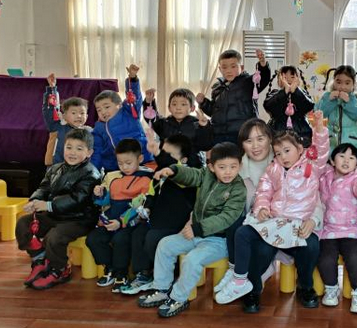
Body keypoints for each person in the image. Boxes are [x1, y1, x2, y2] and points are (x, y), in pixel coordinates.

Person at [214, 111, 329, 311]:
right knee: (245, 234)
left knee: (311, 246)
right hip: (275, 223)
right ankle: (248, 285)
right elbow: (264, 192)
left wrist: (319, 129)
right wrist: (261, 209)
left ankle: (305, 286)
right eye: (279, 153)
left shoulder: (311, 166)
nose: (283, 156)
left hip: (298, 223)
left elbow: (321, 149)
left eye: (287, 151)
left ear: (300, 149)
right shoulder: (270, 169)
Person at [137, 142, 247, 318]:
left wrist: (198, 228)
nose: (228, 172)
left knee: (192, 260)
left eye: (233, 167)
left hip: (219, 240)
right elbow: (191, 175)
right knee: (165, 244)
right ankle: (162, 289)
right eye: (222, 167)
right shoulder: (206, 175)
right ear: (211, 167)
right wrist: (173, 170)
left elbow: (227, 218)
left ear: (240, 166)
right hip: (195, 234)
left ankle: (179, 298)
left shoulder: (238, 189)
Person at [15, 129, 101, 290]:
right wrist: (34, 201)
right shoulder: (55, 168)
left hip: (79, 219)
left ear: (89, 152)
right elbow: (43, 188)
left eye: (79, 148)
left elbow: (78, 200)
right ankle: (39, 259)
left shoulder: (91, 174)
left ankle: (59, 269)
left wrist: (48, 205)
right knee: (23, 224)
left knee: (53, 237)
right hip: (55, 215)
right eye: (69, 147)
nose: (72, 152)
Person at [119, 134, 197, 295]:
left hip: (176, 225)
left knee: (153, 238)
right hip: (156, 221)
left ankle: (168, 275)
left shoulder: (187, 175)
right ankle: (143, 274)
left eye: (169, 155)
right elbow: (152, 194)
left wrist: (158, 154)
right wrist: (147, 207)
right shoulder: (158, 173)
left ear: (183, 160)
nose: (165, 159)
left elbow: (172, 169)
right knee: (138, 234)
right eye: (164, 153)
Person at [212, 119, 274, 312]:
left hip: (276, 223)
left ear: (270, 139)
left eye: (260, 139)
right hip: (248, 222)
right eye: (248, 141)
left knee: (263, 247)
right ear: (242, 145)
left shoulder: (281, 162)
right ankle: (242, 279)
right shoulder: (237, 168)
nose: (255, 146)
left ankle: (251, 286)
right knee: (235, 225)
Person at [85, 139, 154, 291]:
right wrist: (99, 194)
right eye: (120, 163)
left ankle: (121, 273)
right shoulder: (114, 178)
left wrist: (120, 222)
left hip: (130, 223)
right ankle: (110, 267)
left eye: (128, 163)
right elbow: (106, 201)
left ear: (140, 159)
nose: (124, 167)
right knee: (93, 238)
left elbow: (140, 208)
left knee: (120, 239)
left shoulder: (146, 179)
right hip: (111, 221)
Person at [318, 143, 357, 313]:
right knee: (326, 258)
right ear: (332, 161)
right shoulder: (325, 176)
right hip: (328, 231)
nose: (346, 161)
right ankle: (331, 289)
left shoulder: (356, 178)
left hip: (351, 231)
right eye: (342, 156)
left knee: (355, 257)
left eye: (351, 158)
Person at [197, 49, 271, 145]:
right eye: (224, 67)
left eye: (233, 66)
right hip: (219, 134)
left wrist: (263, 64)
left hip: (242, 134)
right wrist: (203, 102)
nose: (228, 71)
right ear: (220, 69)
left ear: (242, 67)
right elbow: (213, 112)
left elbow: (263, 77)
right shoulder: (217, 88)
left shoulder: (248, 82)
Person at [91, 64, 152, 173]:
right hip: (116, 168)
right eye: (99, 110)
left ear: (119, 105)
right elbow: (97, 152)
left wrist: (132, 79)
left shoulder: (128, 111)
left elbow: (134, 96)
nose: (103, 112)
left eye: (107, 107)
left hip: (142, 162)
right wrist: (93, 172)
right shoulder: (98, 128)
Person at [149, 88, 213, 168]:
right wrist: (149, 103)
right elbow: (150, 118)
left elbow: (206, 145)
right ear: (169, 108)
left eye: (183, 104)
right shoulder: (163, 123)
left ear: (192, 108)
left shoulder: (197, 124)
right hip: (168, 167)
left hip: (193, 167)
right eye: (174, 104)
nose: (178, 108)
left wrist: (204, 127)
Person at [315, 65, 357, 156]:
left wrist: (349, 102)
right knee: (332, 161)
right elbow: (319, 113)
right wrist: (330, 101)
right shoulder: (327, 96)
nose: (342, 87)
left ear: (353, 83)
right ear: (334, 81)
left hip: (353, 144)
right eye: (338, 82)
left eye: (347, 83)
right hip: (332, 143)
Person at [42, 73, 90, 166]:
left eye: (82, 113)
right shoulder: (57, 127)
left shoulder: (88, 131)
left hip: (77, 168)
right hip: (55, 167)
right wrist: (52, 90)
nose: (79, 116)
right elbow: (49, 110)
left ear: (87, 116)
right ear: (64, 116)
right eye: (73, 113)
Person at [263, 65, 315, 147]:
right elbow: (268, 106)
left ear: (298, 79)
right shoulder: (275, 93)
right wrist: (284, 92)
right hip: (277, 134)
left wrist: (295, 91)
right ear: (279, 80)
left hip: (301, 134)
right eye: (285, 77)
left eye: (292, 77)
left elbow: (309, 106)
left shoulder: (302, 93)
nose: (289, 80)